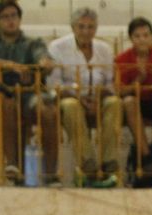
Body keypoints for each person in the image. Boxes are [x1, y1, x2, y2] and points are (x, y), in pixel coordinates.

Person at [0, 0, 56, 181]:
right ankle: (12, 165)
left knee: (48, 111)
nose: (10, 20)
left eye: (14, 16)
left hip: (29, 95)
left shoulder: (33, 43)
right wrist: (11, 65)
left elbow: (43, 57)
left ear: (20, 19)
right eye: (5, 17)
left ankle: (51, 173)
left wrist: (44, 63)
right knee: (6, 103)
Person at [48, 7, 123, 187]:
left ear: (96, 29)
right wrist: (79, 97)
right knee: (71, 106)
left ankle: (109, 164)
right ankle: (87, 164)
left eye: (90, 27)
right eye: (81, 27)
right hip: (71, 97)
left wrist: (99, 96)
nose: (86, 32)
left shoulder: (103, 49)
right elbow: (53, 84)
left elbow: (110, 82)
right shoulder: (57, 47)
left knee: (115, 102)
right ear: (73, 27)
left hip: (99, 97)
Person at [116, 18, 152, 182]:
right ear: (131, 39)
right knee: (129, 101)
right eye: (137, 36)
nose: (142, 40)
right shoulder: (122, 59)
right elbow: (120, 91)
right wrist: (140, 78)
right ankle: (146, 156)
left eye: (146, 35)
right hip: (136, 103)